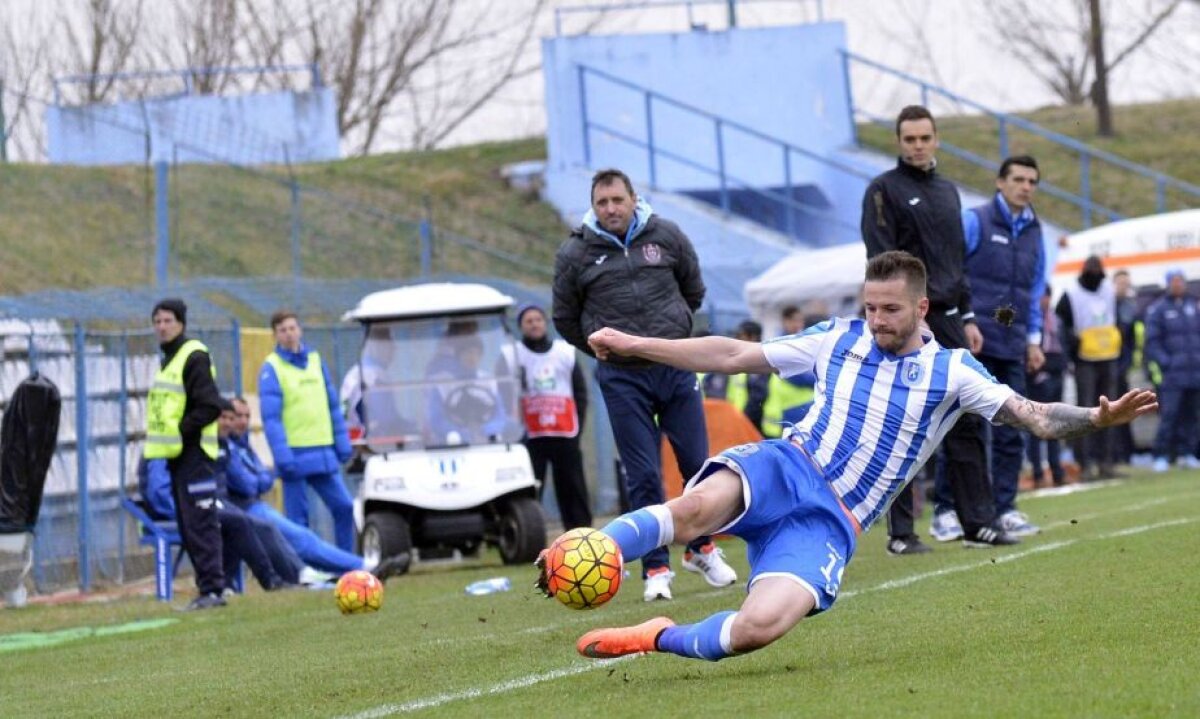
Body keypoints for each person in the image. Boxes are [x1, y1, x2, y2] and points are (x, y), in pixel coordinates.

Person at [545, 250, 1156, 662]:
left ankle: (656, 636)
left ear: (920, 309)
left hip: (832, 519)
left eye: (890, 309)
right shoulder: (838, 337)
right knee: (698, 507)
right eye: (870, 307)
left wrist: (1097, 417)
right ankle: (580, 551)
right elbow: (732, 355)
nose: (876, 320)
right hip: (788, 467)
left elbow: (1035, 415)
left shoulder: (953, 372)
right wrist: (637, 345)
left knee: (759, 628)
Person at [553, 167, 737, 601]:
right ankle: (656, 568)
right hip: (622, 377)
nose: (611, 208)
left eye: (618, 200)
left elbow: (693, 290)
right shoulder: (575, 254)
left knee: (698, 465)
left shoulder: (667, 235)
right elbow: (565, 317)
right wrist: (600, 345)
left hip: (675, 366)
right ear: (593, 207)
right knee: (643, 475)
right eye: (602, 202)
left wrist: (671, 336)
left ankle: (701, 548)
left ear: (634, 199)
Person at [860, 105, 1014, 553]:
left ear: (936, 138)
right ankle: (901, 534)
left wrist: (967, 317)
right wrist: (906, 317)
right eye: (909, 139)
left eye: (924, 137)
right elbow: (881, 261)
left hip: (949, 319)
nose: (917, 145)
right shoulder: (882, 190)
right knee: (904, 425)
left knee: (968, 418)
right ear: (898, 141)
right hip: (908, 323)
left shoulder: (949, 192)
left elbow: (956, 263)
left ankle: (978, 523)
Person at [220, 397, 409, 579]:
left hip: (256, 504)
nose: (242, 421)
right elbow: (248, 484)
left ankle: (357, 567)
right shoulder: (227, 447)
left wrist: (261, 479)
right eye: (235, 416)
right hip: (246, 507)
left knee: (318, 526)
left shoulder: (243, 444)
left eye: (247, 416)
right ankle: (360, 567)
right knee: (300, 538)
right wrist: (261, 479)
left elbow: (264, 478)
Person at [957, 155, 1046, 537]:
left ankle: (1006, 506)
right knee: (967, 428)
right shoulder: (974, 220)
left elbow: (1032, 289)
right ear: (1000, 182)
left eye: (1032, 180)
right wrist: (965, 320)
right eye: (1019, 179)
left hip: (1012, 342)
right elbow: (955, 272)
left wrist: (1033, 339)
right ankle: (952, 509)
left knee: (1014, 427)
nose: (1026, 186)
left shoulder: (1035, 230)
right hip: (974, 341)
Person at [144, 298, 227, 610]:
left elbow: (211, 405)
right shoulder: (169, 358)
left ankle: (213, 590)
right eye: (157, 321)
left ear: (181, 323)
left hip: (196, 455)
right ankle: (207, 590)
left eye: (167, 320)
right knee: (189, 525)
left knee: (201, 523)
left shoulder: (193, 356)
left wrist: (182, 430)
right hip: (178, 457)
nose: (162, 327)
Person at [259, 310, 356, 552]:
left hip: (323, 451)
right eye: (282, 330)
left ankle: (346, 564)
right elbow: (271, 419)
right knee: (298, 520)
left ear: (300, 330)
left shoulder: (315, 360)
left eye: (292, 328)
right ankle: (304, 569)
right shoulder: (272, 368)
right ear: (275, 335)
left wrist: (342, 443)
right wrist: (283, 456)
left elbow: (332, 405)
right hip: (294, 455)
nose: (289, 334)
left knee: (344, 507)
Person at [138, 455, 306, 593]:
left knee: (245, 522)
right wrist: (187, 511)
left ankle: (229, 583)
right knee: (237, 522)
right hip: (171, 517)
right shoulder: (161, 453)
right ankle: (270, 580)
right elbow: (159, 494)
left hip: (194, 508)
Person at [502, 304, 593, 529]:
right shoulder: (512, 355)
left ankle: (581, 533)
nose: (534, 324)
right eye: (528, 321)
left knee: (572, 487)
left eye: (538, 319)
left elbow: (579, 392)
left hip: (564, 433)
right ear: (521, 326)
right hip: (530, 436)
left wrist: (578, 428)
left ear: (545, 323)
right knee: (530, 488)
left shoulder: (565, 352)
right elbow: (504, 394)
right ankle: (527, 532)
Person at [1056, 256, 1124, 481]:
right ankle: (1084, 463)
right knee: (1085, 412)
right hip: (1084, 360)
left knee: (1109, 411)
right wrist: (1070, 352)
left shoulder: (1108, 292)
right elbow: (1062, 327)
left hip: (1108, 357)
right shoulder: (1071, 294)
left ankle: (1105, 462)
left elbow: (1119, 320)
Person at [1143, 269, 1200, 472]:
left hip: (1194, 372)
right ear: (1168, 284)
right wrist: (1167, 362)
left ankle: (1188, 453)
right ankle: (1161, 455)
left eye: (1180, 281)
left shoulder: (1193, 305)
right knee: (1170, 414)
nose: (1178, 284)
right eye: (1174, 281)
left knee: (1192, 415)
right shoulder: (1158, 309)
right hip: (1173, 374)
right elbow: (1153, 342)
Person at [1025, 286, 1067, 487]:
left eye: (1047, 296)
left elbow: (1063, 348)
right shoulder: (1031, 323)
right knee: (1035, 428)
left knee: (1055, 427)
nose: (1045, 300)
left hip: (1056, 376)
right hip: (1037, 379)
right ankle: (1038, 473)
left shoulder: (1056, 320)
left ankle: (1057, 471)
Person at [1112, 269, 1139, 465]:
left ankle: (1126, 454)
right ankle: (1110, 454)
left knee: (1124, 410)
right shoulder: (1105, 305)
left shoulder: (1131, 308)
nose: (1124, 287)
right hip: (1105, 366)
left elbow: (1132, 342)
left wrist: (1126, 364)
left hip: (1121, 368)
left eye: (1126, 283)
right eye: (1120, 283)